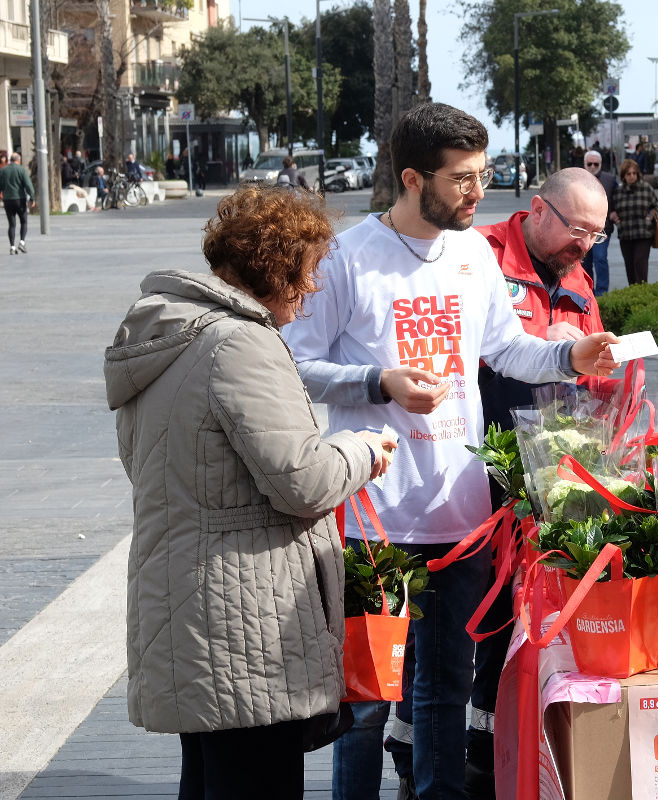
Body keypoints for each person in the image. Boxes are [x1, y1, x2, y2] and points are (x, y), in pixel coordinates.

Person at [282, 102, 619, 800]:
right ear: (413, 177)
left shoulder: (472, 256)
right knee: (367, 699)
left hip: (460, 512)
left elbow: (506, 349)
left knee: (445, 685)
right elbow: (293, 360)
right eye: (462, 178)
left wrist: (569, 355)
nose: (477, 192)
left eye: (482, 173)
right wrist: (378, 381)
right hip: (373, 516)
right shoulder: (349, 259)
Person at [103, 184, 396, 800]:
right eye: (309, 270)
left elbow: (146, 466)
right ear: (277, 266)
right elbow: (304, 481)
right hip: (247, 623)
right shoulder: (242, 343)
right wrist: (362, 451)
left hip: (189, 608)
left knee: (211, 777)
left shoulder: (169, 334)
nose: (313, 288)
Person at [446, 167, 612, 798]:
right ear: (538, 211)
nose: (585, 247)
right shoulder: (481, 254)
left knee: (521, 611)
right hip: (473, 466)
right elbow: (461, 343)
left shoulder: (576, 275)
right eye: (577, 230)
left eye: (597, 236)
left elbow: (590, 372)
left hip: (546, 472)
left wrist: (604, 367)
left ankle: (491, 751)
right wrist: (549, 342)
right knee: (467, 614)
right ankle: (427, 759)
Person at [610, 158, 658, 286]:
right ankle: (633, 292)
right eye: (628, 174)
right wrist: (615, 219)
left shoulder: (646, 188)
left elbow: (657, 205)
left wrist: (650, 216)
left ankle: (643, 291)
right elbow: (612, 209)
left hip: (643, 233)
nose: (632, 176)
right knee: (630, 266)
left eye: (634, 173)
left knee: (640, 263)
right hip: (625, 234)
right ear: (623, 176)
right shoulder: (618, 192)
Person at [582, 149, 617, 295]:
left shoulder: (610, 180)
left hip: (602, 229)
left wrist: (615, 212)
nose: (592, 166)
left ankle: (602, 292)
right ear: (584, 164)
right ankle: (588, 290)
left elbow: (617, 199)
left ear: (601, 164)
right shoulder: (577, 179)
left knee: (600, 258)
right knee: (585, 262)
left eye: (596, 164)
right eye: (589, 163)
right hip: (582, 230)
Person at [0, 152, 34, 255]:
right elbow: (28, 185)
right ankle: (22, 242)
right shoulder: (21, 170)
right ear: (18, 160)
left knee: (12, 224)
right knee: (23, 221)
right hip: (20, 199)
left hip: (7, 200)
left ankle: (12, 247)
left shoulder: (3, 170)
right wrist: (32, 198)